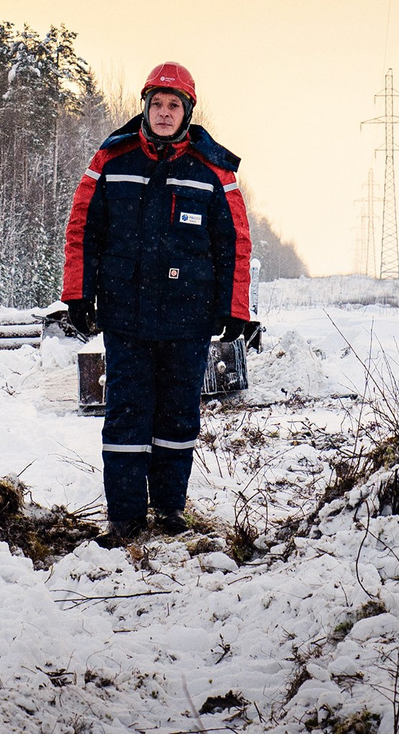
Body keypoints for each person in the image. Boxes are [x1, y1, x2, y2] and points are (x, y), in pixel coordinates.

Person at [58, 62, 256, 540]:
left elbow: (235, 243)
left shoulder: (214, 171)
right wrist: (78, 294)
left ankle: (169, 511)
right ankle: (124, 519)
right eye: (157, 104)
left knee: (177, 415)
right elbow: (82, 229)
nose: (165, 113)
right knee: (127, 412)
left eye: (174, 106)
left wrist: (236, 309)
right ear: (144, 107)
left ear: (188, 111)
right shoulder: (112, 161)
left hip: (189, 318)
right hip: (127, 316)